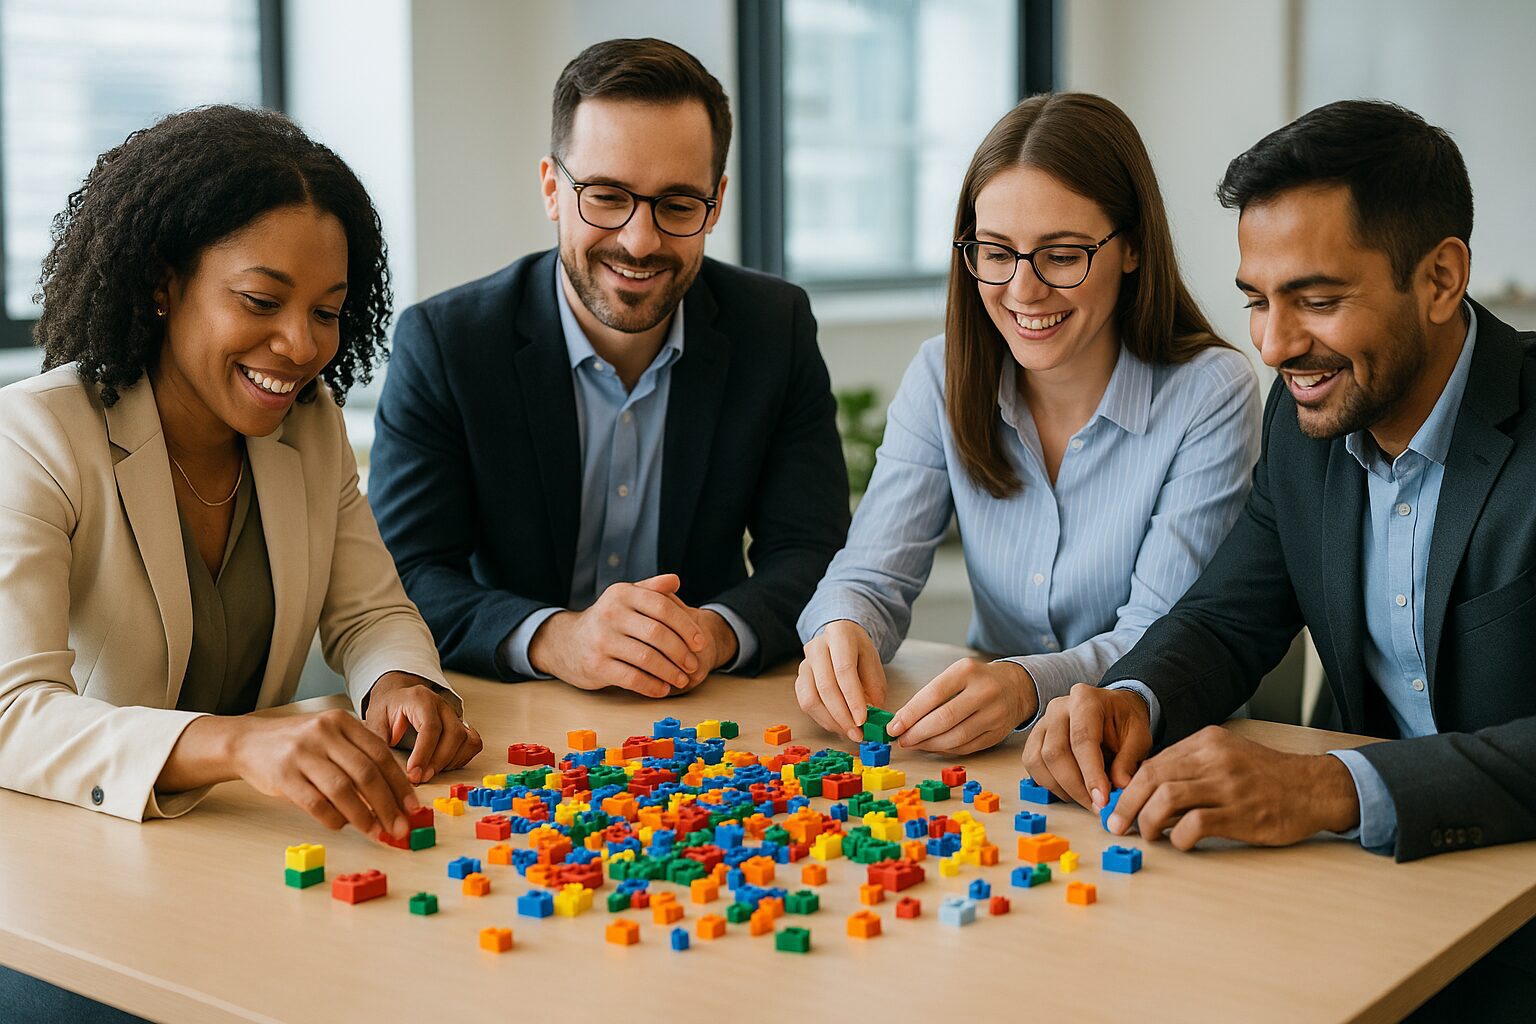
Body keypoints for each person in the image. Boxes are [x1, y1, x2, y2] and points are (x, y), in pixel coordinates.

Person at [1021, 100, 1534, 1018]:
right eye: (1258, 300)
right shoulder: (1305, 421)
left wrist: (1327, 786)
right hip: (1361, 895)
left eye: (1318, 300)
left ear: (1442, 278)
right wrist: (1130, 699)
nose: (1273, 344)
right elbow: (1228, 615)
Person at [0, 105, 481, 839]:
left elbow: (371, 613)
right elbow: (13, 713)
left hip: (236, 847)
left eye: (327, 312)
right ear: (163, 282)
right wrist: (232, 744)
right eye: (261, 301)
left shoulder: (310, 427)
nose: (299, 344)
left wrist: (402, 683)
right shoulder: (37, 435)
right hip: (71, 861)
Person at [369, 38, 849, 696]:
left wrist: (711, 631)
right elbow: (404, 574)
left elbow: (812, 550)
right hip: (508, 717)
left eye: (678, 205)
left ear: (716, 202)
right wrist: (554, 637)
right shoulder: (447, 344)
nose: (639, 240)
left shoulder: (776, 327)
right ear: (551, 188)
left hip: (706, 712)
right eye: (605, 195)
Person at [794, 92, 1261, 754]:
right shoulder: (942, 374)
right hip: (1000, 754)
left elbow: (1161, 636)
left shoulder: (1209, 393)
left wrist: (1024, 686)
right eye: (995, 252)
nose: (1022, 289)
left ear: (1131, 248)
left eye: (1062, 255)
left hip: (1162, 747)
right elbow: (870, 575)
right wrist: (842, 629)